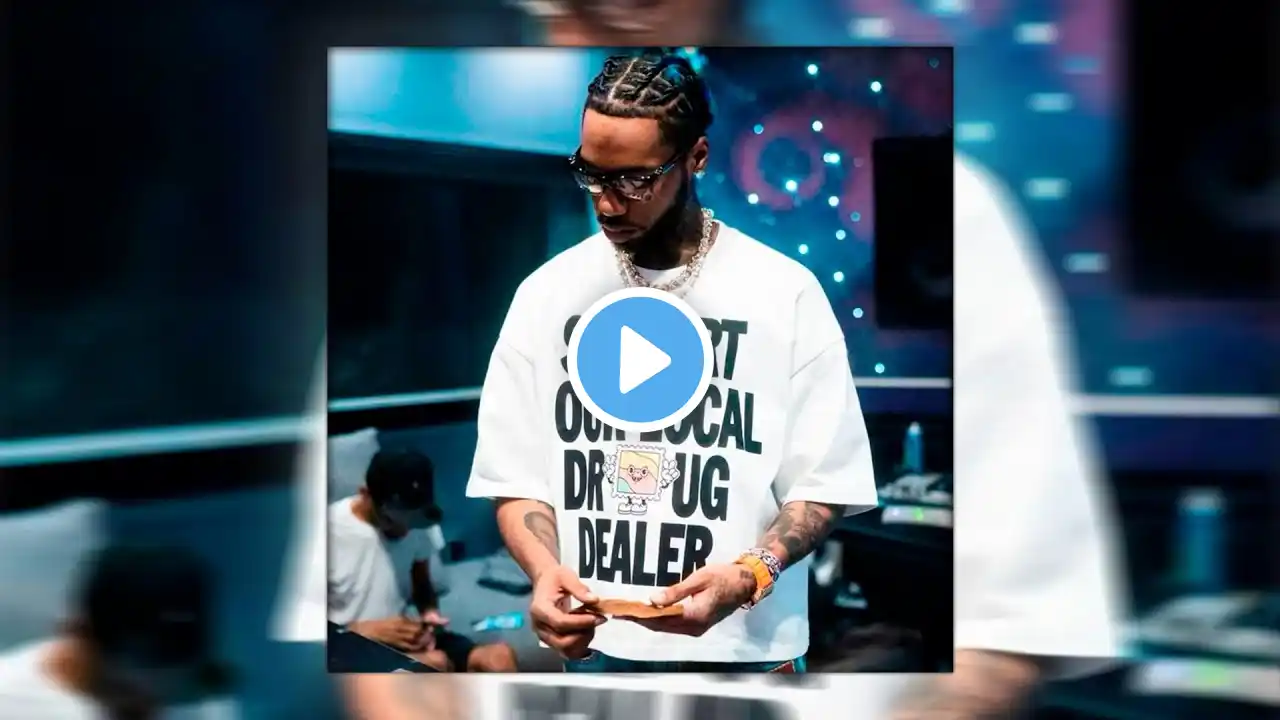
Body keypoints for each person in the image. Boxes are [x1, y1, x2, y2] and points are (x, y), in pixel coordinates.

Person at [463, 51, 879, 673]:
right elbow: (516, 479)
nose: (607, 203)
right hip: (599, 648)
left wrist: (751, 573)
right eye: (591, 174)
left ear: (697, 158)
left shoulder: (783, 292)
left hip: (746, 651)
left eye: (634, 180)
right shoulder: (545, 295)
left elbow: (823, 485)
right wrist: (545, 572)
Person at [328, 448, 518, 673]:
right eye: (391, 520)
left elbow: (422, 584)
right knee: (435, 663)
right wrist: (359, 630)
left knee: (498, 658)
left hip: (402, 638)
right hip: (345, 646)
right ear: (365, 494)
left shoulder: (420, 522)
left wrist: (429, 613)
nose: (404, 531)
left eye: (411, 521)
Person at [0, 543, 236, 720]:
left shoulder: (193, 696)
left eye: (168, 676)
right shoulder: (10, 703)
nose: (150, 699)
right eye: (130, 675)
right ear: (75, 631)